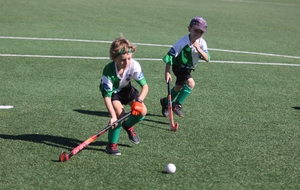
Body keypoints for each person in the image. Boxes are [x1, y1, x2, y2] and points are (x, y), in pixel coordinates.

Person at [99, 37, 148, 155]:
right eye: (122, 60)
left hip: (126, 89)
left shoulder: (134, 65)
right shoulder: (108, 71)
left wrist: (139, 101)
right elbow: (107, 97)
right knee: (119, 115)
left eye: (129, 59)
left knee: (143, 111)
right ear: (114, 58)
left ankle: (128, 125)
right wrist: (112, 117)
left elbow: (145, 87)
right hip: (113, 92)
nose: (126, 63)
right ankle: (111, 145)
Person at [160, 17, 210, 118]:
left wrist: (198, 48)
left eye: (201, 32)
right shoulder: (182, 42)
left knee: (178, 88)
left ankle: (165, 102)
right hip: (178, 67)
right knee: (191, 83)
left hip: (187, 69)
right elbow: (170, 56)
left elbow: (207, 58)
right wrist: (167, 72)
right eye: (196, 30)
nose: (198, 34)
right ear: (189, 29)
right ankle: (177, 105)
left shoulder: (202, 43)